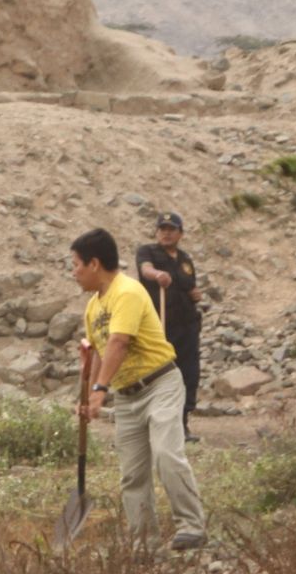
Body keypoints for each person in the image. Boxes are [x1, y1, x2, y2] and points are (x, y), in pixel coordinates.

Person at [71, 228, 206, 550]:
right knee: (132, 474)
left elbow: (119, 342)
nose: (73, 272)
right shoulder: (93, 307)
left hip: (160, 383)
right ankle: (145, 543)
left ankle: (192, 526)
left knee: (166, 454)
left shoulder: (127, 291)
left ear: (93, 263)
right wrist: (90, 397)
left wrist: (101, 390)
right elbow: (99, 353)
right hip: (127, 395)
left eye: (75, 264)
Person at [134, 213, 204, 441]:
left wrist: (195, 294)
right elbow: (145, 270)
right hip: (159, 326)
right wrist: (157, 275)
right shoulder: (148, 252)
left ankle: (182, 424)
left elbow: (189, 286)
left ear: (180, 233)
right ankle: (151, 424)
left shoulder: (185, 260)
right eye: (162, 228)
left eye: (171, 229)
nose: (166, 232)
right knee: (158, 373)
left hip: (187, 327)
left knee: (188, 373)